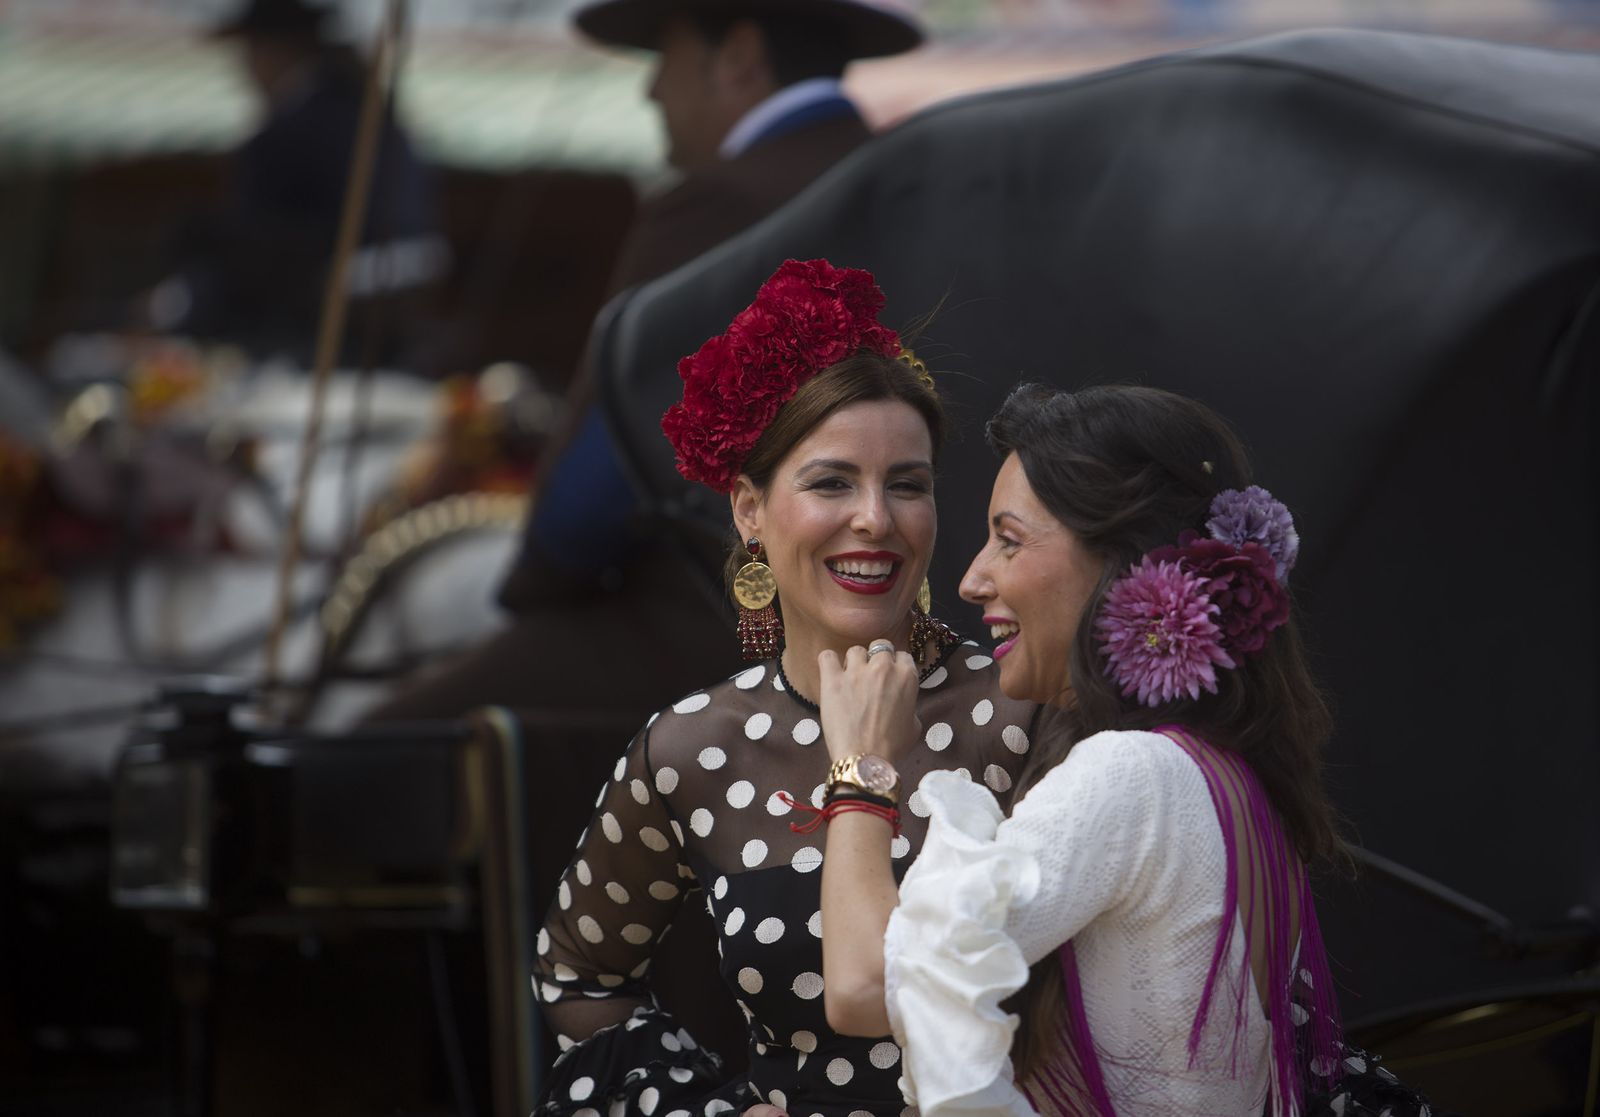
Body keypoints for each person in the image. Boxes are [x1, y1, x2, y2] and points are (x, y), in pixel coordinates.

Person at [812, 384, 1440, 1116]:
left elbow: (865, 986)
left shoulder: (1133, 775)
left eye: (1009, 540)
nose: (972, 578)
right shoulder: (1218, 770)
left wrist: (860, 766)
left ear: (1121, 563)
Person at [531, 259, 1054, 1117]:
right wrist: (711, 1109)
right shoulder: (692, 747)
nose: (876, 518)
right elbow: (577, 974)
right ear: (749, 510)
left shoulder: (1022, 708)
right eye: (832, 482)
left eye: (907, 484)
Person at [148, 0, 440, 361]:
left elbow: (268, 242)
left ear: (273, 50)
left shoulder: (295, 128)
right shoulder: (368, 111)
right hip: (370, 307)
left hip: (313, 318)